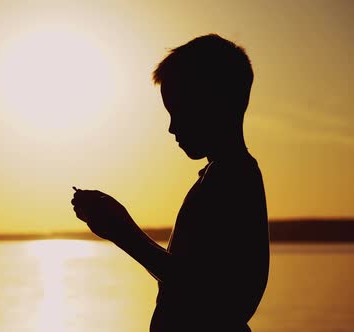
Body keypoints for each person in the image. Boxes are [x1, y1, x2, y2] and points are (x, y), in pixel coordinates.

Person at [71, 34, 269, 331]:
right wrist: (119, 229)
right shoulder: (223, 177)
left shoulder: (232, 180)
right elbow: (186, 277)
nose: (172, 127)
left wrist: (122, 233)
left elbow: (212, 296)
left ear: (216, 104)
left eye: (180, 112)